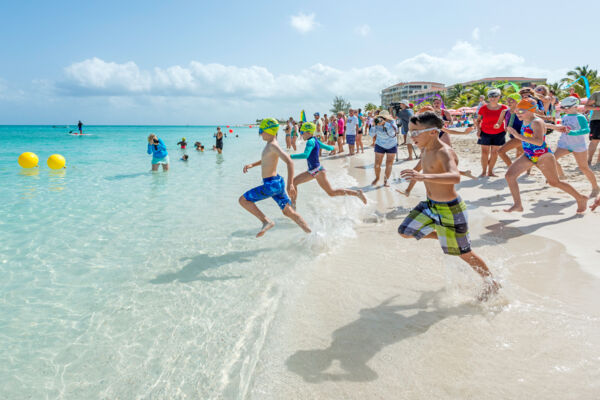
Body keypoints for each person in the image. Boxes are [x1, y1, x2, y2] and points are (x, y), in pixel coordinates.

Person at [398, 111, 499, 301]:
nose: (411, 136)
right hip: (430, 205)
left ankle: (491, 282)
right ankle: (444, 237)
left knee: (464, 253)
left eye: (415, 132)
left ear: (433, 132)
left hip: (451, 209)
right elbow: (426, 167)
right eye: (410, 132)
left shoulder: (444, 151)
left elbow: (454, 176)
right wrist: (412, 181)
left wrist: (423, 177)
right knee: (405, 231)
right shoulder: (425, 148)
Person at [504, 98, 588, 213]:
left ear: (531, 110)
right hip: (529, 154)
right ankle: (518, 205)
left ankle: (580, 198)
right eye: (517, 110)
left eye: (521, 111)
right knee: (510, 176)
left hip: (543, 156)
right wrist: (554, 127)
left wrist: (518, 136)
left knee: (554, 182)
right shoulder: (527, 119)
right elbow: (545, 124)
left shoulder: (536, 122)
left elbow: (539, 142)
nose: (518, 113)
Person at [239, 118, 311, 237]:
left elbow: (289, 162)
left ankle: (266, 221)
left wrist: (291, 184)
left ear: (270, 131)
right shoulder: (270, 145)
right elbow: (266, 160)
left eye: (261, 130)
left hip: (271, 185)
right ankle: (311, 234)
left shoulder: (273, 145)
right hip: (276, 182)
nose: (260, 133)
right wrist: (252, 164)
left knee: (243, 200)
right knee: (289, 212)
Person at [290, 122, 367, 207]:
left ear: (308, 132)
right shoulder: (315, 140)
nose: (301, 135)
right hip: (316, 170)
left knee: (294, 182)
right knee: (331, 192)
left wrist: (289, 156)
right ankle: (356, 193)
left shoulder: (310, 142)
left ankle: (293, 206)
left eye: (302, 132)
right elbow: (328, 147)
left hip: (315, 170)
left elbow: (306, 155)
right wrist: (335, 147)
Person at [554, 96, 599, 197]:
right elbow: (564, 128)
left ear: (575, 107)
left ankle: (595, 187)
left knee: (584, 168)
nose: (565, 109)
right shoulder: (564, 116)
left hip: (578, 145)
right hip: (564, 144)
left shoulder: (580, 117)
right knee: (552, 158)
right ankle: (561, 174)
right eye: (563, 107)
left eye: (567, 107)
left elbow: (586, 130)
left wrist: (573, 132)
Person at [475, 88, 508, 177]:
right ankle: (483, 171)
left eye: (495, 96)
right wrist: (478, 130)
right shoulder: (483, 108)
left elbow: (508, 120)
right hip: (485, 132)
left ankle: (490, 172)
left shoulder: (504, 108)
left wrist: (506, 129)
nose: (492, 98)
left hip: (499, 133)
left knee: (494, 153)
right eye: (490, 96)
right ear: (488, 97)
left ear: (499, 97)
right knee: (484, 153)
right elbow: (477, 120)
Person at [496, 93, 525, 167]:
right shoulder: (504, 112)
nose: (509, 103)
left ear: (518, 101)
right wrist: (497, 125)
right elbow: (499, 123)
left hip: (520, 136)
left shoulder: (522, 111)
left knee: (501, 151)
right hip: (512, 136)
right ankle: (529, 170)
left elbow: (533, 117)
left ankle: (511, 168)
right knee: (526, 155)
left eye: (511, 101)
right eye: (508, 101)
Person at [370, 110, 397, 186]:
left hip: (391, 144)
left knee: (389, 164)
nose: (382, 119)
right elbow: (372, 134)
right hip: (380, 144)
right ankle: (377, 178)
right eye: (381, 117)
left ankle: (386, 180)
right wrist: (373, 125)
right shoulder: (376, 122)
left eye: (384, 118)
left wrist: (385, 124)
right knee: (377, 164)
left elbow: (395, 131)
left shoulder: (392, 122)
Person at [585, 90, 600, 165]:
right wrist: (598, 108)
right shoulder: (597, 94)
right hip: (597, 120)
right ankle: (589, 161)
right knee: (595, 141)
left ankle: (598, 161)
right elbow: (587, 106)